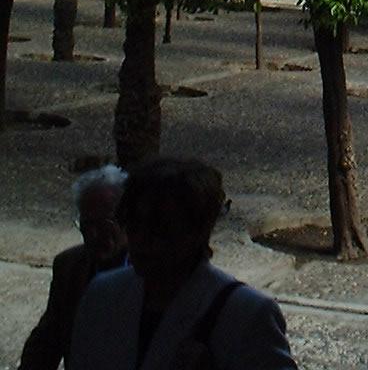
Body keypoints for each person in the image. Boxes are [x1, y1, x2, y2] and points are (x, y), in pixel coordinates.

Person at [68, 157, 296, 370]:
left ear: (196, 232)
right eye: (134, 224)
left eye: (160, 229)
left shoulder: (247, 315)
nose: (142, 240)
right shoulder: (102, 294)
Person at [20, 165, 128, 370]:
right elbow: (48, 338)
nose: (94, 235)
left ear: (126, 219)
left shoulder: (153, 267)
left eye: (105, 224)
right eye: (87, 225)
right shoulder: (70, 266)